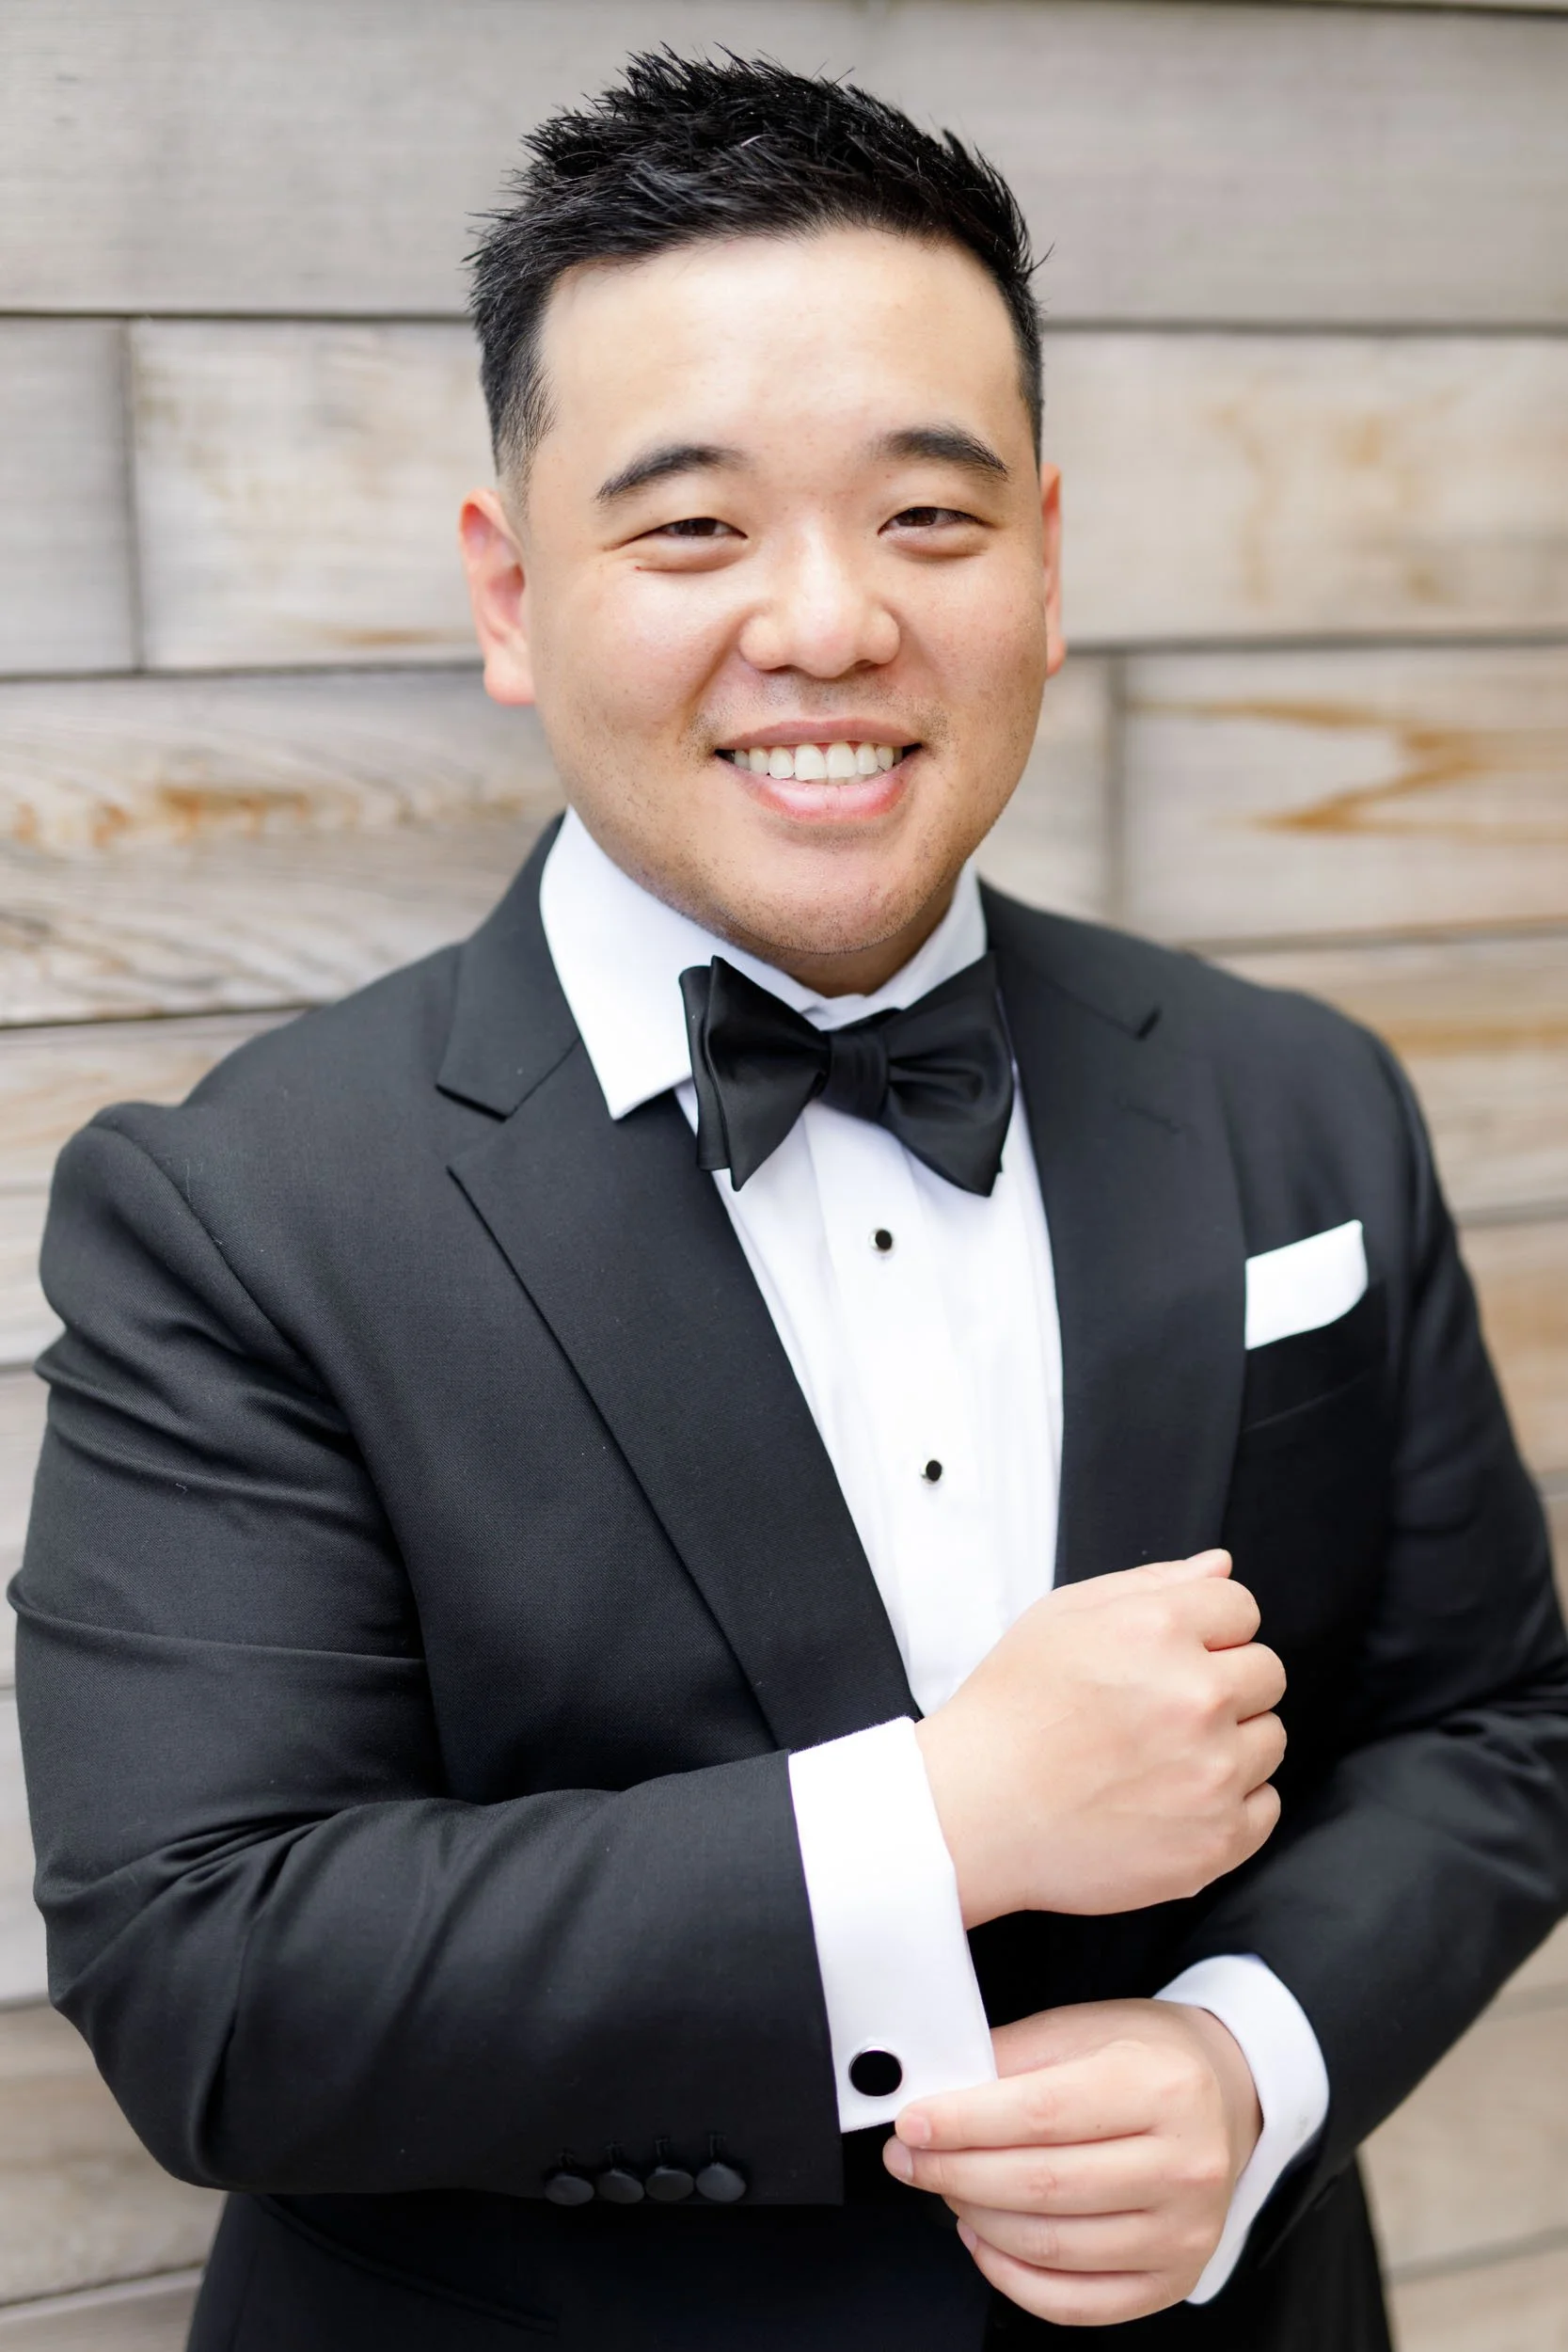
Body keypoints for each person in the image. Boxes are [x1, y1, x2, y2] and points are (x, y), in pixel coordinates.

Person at [14, 51, 1568, 2352]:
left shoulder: (1294, 1095)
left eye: (928, 520)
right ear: (510, 591)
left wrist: (1249, 2057)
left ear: (1044, 558)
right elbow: (214, 1979)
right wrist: (942, 1815)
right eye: (690, 527)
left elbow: (1489, 1725)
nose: (827, 621)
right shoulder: (234, 1212)